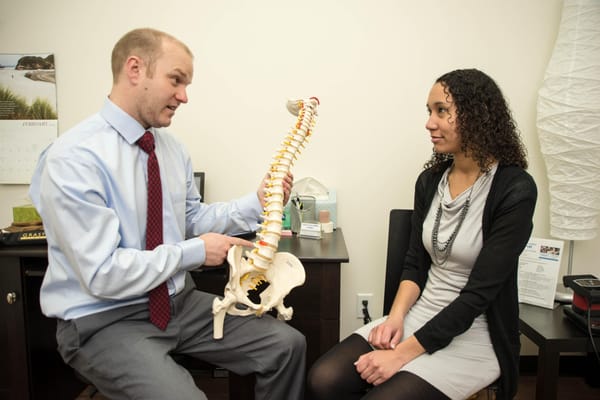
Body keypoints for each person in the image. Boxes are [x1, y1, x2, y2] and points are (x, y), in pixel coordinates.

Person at [28, 28, 305, 400]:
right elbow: (102, 273)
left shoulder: (172, 151)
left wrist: (258, 201)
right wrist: (193, 251)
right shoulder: (73, 158)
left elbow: (191, 219)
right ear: (135, 69)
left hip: (179, 304)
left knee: (287, 345)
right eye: (176, 80)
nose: (184, 96)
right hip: (105, 319)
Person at [307, 68, 537, 400]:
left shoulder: (514, 189)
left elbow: (478, 296)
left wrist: (400, 355)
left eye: (441, 110)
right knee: (323, 379)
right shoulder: (431, 182)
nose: (430, 122)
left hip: (476, 334)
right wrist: (394, 319)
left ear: (477, 114)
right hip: (420, 316)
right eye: (429, 111)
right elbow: (415, 263)